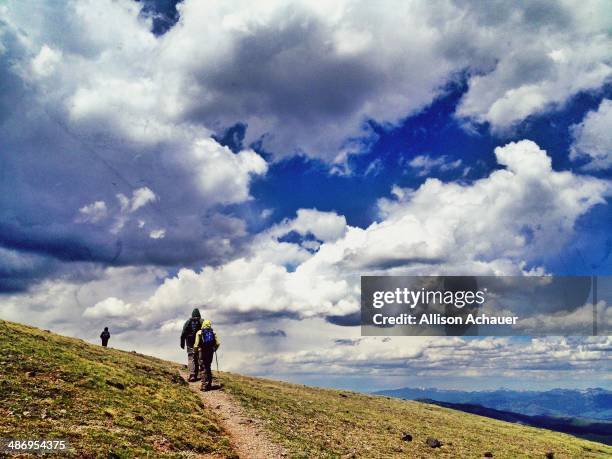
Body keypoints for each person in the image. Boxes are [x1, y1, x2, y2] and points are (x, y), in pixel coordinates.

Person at [193, 319, 220, 391]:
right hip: (210, 351)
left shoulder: (199, 332)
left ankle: (204, 385)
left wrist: (195, 351)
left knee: (202, 367)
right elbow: (218, 343)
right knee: (208, 366)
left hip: (202, 351)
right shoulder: (213, 332)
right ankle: (209, 384)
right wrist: (214, 349)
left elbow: (196, 344)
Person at [180, 308, 202, 382]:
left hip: (189, 343)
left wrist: (182, 344)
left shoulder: (188, 322)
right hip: (199, 343)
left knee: (191, 358)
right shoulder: (202, 321)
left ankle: (192, 375)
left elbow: (183, 333)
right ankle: (201, 374)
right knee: (199, 358)